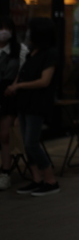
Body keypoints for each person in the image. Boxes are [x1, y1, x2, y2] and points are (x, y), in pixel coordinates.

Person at [5, 18, 59, 196]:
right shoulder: (31, 54)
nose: (27, 34)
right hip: (24, 103)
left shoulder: (50, 54)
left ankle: (50, 180)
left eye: (30, 31)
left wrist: (19, 86)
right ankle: (36, 178)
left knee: (31, 143)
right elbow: (21, 75)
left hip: (37, 104)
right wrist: (14, 85)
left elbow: (44, 81)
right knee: (26, 144)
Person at [0, 18, 28, 191]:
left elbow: (24, 73)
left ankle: (5, 172)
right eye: (0, 28)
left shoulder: (20, 50)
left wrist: (15, 86)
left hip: (9, 95)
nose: (3, 31)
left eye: (6, 28)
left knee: (5, 135)